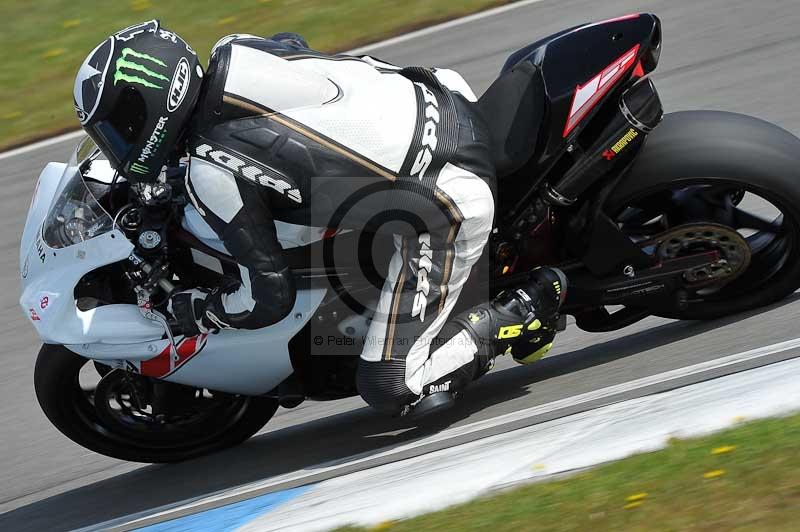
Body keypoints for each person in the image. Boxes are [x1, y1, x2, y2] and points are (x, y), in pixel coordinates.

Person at [73, 20, 567, 415]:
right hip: (440, 96)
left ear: (154, 106)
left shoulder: (211, 173)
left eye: (121, 128)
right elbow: (296, 46)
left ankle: (522, 311)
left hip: (449, 198)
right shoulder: (235, 49)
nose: (118, 144)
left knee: (391, 384)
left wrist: (198, 310)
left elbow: (268, 296)